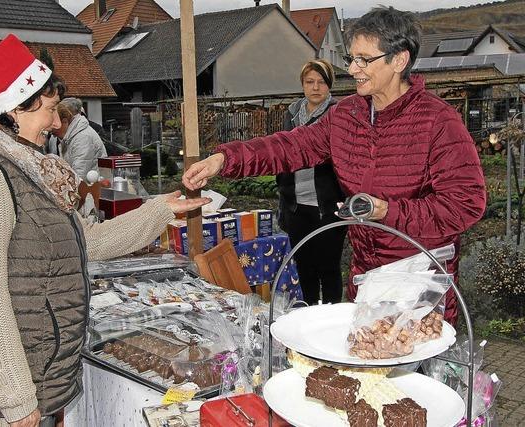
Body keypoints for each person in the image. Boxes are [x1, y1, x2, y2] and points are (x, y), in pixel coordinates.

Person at [0, 34, 209, 427]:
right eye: (50, 109)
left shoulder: (25, 171)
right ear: (14, 108)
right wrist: (15, 399)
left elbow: (84, 243)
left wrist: (159, 210)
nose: (57, 123)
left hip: (31, 385)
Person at [183, 7, 486, 325]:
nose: (353, 68)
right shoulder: (347, 115)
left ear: (399, 60)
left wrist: (387, 212)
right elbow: (292, 146)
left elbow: (465, 205)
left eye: (364, 59)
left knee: (414, 371)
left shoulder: (438, 121)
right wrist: (225, 159)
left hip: (420, 284)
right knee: (366, 367)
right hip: (366, 279)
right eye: (352, 58)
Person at [277, 59, 346, 305]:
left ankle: (332, 320)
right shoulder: (292, 113)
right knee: (304, 268)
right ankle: (309, 318)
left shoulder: (339, 114)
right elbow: (280, 152)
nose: (315, 87)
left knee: (328, 268)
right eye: (310, 82)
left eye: (321, 82)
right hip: (296, 206)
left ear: (329, 86)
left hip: (328, 207)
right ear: (302, 85)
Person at [49, 98, 107, 181]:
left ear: (64, 122)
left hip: (90, 189)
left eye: (54, 124)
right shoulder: (71, 136)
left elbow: (79, 176)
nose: (51, 128)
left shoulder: (82, 138)